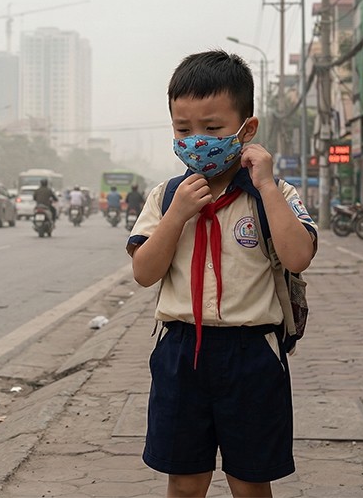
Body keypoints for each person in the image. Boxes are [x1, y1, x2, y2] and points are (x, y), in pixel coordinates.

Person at [127, 50, 317, 498]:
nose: (197, 140)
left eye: (212, 129)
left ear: (246, 129)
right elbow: (144, 272)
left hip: (251, 354)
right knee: (186, 481)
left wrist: (267, 185)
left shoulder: (274, 193)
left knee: (250, 481)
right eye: (183, 129)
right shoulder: (166, 196)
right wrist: (177, 216)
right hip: (181, 351)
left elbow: (298, 257)